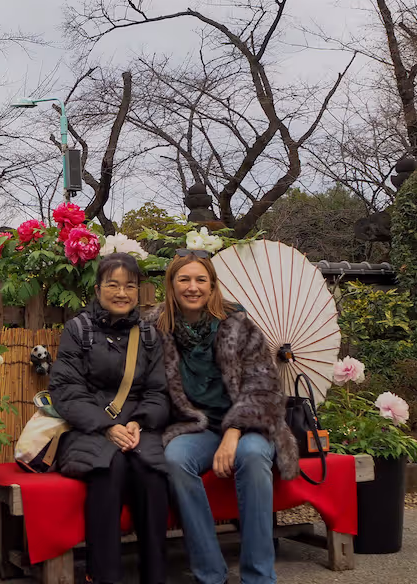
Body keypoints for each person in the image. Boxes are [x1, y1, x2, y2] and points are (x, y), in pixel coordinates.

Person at [158, 249, 299, 584]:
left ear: (212, 285)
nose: (192, 287)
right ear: (172, 284)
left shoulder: (239, 326)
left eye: (200, 279)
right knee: (175, 458)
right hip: (199, 426)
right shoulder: (157, 329)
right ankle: (209, 572)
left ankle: (259, 575)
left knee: (250, 456)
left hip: (250, 426)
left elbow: (263, 387)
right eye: (184, 279)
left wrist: (234, 432)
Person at [49, 252, 170, 584]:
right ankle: (103, 574)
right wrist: (105, 426)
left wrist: (140, 422)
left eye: (129, 286)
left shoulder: (148, 336)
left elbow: (159, 391)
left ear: (139, 291)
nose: (121, 293)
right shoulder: (78, 330)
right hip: (88, 429)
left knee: (151, 472)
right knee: (108, 467)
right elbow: (66, 388)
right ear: (98, 287)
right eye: (113, 285)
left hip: (136, 429)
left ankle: (156, 574)